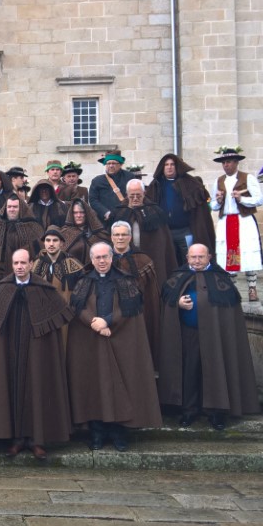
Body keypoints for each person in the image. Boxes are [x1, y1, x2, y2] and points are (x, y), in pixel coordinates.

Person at [66, 243, 162, 452]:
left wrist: (108, 321)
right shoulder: (84, 281)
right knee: (94, 387)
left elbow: (131, 308)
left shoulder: (125, 280)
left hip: (119, 339)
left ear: (111, 258)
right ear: (92, 260)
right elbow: (76, 306)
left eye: (105, 257)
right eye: (97, 258)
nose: (101, 261)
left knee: (121, 386)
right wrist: (94, 323)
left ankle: (119, 433)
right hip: (91, 341)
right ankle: (97, 433)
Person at [157, 244, 261, 430]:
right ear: (187, 258)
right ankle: (188, 411)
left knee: (215, 371)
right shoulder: (177, 277)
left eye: (201, 257)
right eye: (193, 257)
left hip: (216, 336)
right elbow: (167, 300)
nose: (197, 261)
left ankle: (216, 412)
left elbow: (231, 311)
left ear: (209, 257)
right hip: (188, 333)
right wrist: (177, 303)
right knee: (189, 371)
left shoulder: (221, 278)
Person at [0, 249, 75, 459]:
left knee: (36, 390)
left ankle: (36, 440)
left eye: (23, 263)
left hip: (36, 350)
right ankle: (15, 439)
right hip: (10, 350)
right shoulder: (2, 289)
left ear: (31, 263)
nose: (19, 267)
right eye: (16, 263)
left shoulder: (44, 289)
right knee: (11, 389)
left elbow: (59, 315)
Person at [210, 146, 263, 302]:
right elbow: (213, 205)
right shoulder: (218, 181)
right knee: (228, 254)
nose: (226, 165)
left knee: (248, 253)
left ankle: (252, 289)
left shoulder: (248, 178)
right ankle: (232, 289)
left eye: (228, 162)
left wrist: (242, 199)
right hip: (226, 220)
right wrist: (218, 201)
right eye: (224, 163)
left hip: (243, 219)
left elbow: (259, 199)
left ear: (236, 163)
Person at [146, 153, 216, 265]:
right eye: (166, 165)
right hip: (165, 232)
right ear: (162, 167)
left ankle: (191, 281)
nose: (169, 167)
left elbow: (201, 208)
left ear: (177, 166)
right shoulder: (156, 185)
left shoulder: (191, 183)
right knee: (170, 262)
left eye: (172, 164)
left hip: (186, 231)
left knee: (190, 260)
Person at [108, 220, 163, 357]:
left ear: (130, 237)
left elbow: (152, 296)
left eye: (124, 235)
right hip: (110, 314)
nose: (120, 238)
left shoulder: (144, 260)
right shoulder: (102, 259)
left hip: (138, 315)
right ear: (111, 237)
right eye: (117, 235)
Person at [108, 178, 178, 278]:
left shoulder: (155, 212)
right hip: (125, 260)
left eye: (138, 195)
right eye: (132, 195)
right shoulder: (119, 213)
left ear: (144, 193)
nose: (135, 198)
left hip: (151, 257)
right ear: (127, 194)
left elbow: (163, 240)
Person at [0, 195, 43, 267]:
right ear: (5, 208)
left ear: (21, 208)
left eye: (15, 207)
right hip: (0, 271)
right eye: (9, 207)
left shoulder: (33, 227)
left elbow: (39, 251)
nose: (12, 209)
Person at [32, 227, 82, 296]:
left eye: (55, 240)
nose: (51, 244)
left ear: (61, 243)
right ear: (44, 243)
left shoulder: (74, 265)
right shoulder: (35, 265)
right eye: (48, 240)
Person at [59, 197, 106, 267]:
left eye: (82, 212)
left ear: (86, 213)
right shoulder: (65, 233)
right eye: (75, 213)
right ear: (71, 214)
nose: (78, 215)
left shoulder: (98, 233)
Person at [88, 152, 133, 222]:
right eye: (108, 163)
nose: (111, 166)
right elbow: (93, 200)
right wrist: (105, 212)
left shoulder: (129, 177)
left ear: (120, 164)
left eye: (114, 163)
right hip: (105, 220)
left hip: (126, 218)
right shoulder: (97, 181)